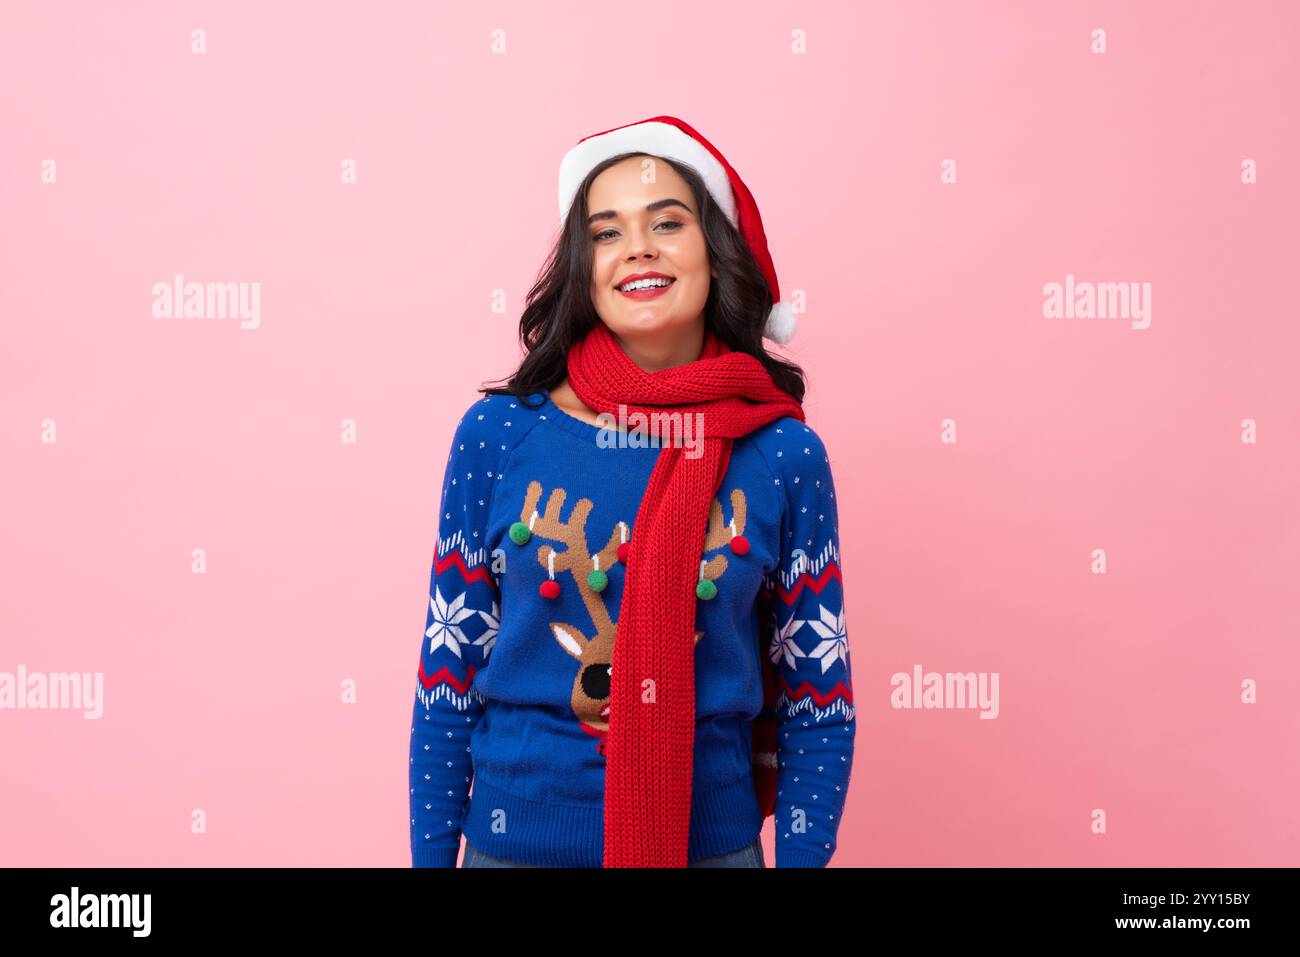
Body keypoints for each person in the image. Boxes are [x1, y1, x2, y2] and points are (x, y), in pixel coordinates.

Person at [409, 116, 856, 868]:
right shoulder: (497, 435)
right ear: (586, 266)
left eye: (667, 223)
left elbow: (820, 700)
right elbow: (446, 677)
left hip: (709, 849)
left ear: (714, 252)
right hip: (510, 847)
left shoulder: (782, 453)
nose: (638, 248)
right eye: (607, 232)